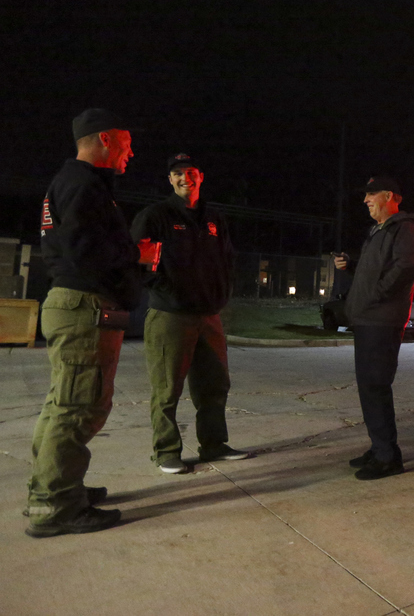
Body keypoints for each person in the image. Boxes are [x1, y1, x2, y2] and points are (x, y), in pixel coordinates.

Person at [26, 108, 158, 538]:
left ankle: (54, 488)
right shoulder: (83, 184)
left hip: (71, 303)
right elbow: (87, 251)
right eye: (126, 142)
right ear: (104, 139)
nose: (131, 152)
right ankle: (56, 506)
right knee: (78, 407)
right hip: (83, 305)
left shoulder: (70, 183)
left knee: (63, 404)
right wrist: (135, 255)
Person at [130, 153, 249, 474]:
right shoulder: (156, 215)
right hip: (170, 315)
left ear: (201, 176)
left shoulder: (214, 218)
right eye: (178, 173)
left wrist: (221, 295)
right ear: (169, 179)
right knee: (167, 389)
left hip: (209, 315)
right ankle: (166, 451)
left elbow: (228, 261)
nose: (186, 178)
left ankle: (213, 445)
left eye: (191, 172)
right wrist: (169, 291)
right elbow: (138, 262)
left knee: (214, 385)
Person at [335, 175, 414, 480]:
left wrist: (374, 296)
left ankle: (388, 458)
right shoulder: (378, 231)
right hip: (368, 318)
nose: (365, 200)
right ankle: (379, 447)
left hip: (382, 320)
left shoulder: (405, 228)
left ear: (389, 195)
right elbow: (376, 269)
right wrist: (353, 264)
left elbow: (404, 269)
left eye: (370, 195)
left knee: (376, 385)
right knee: (368, 387)